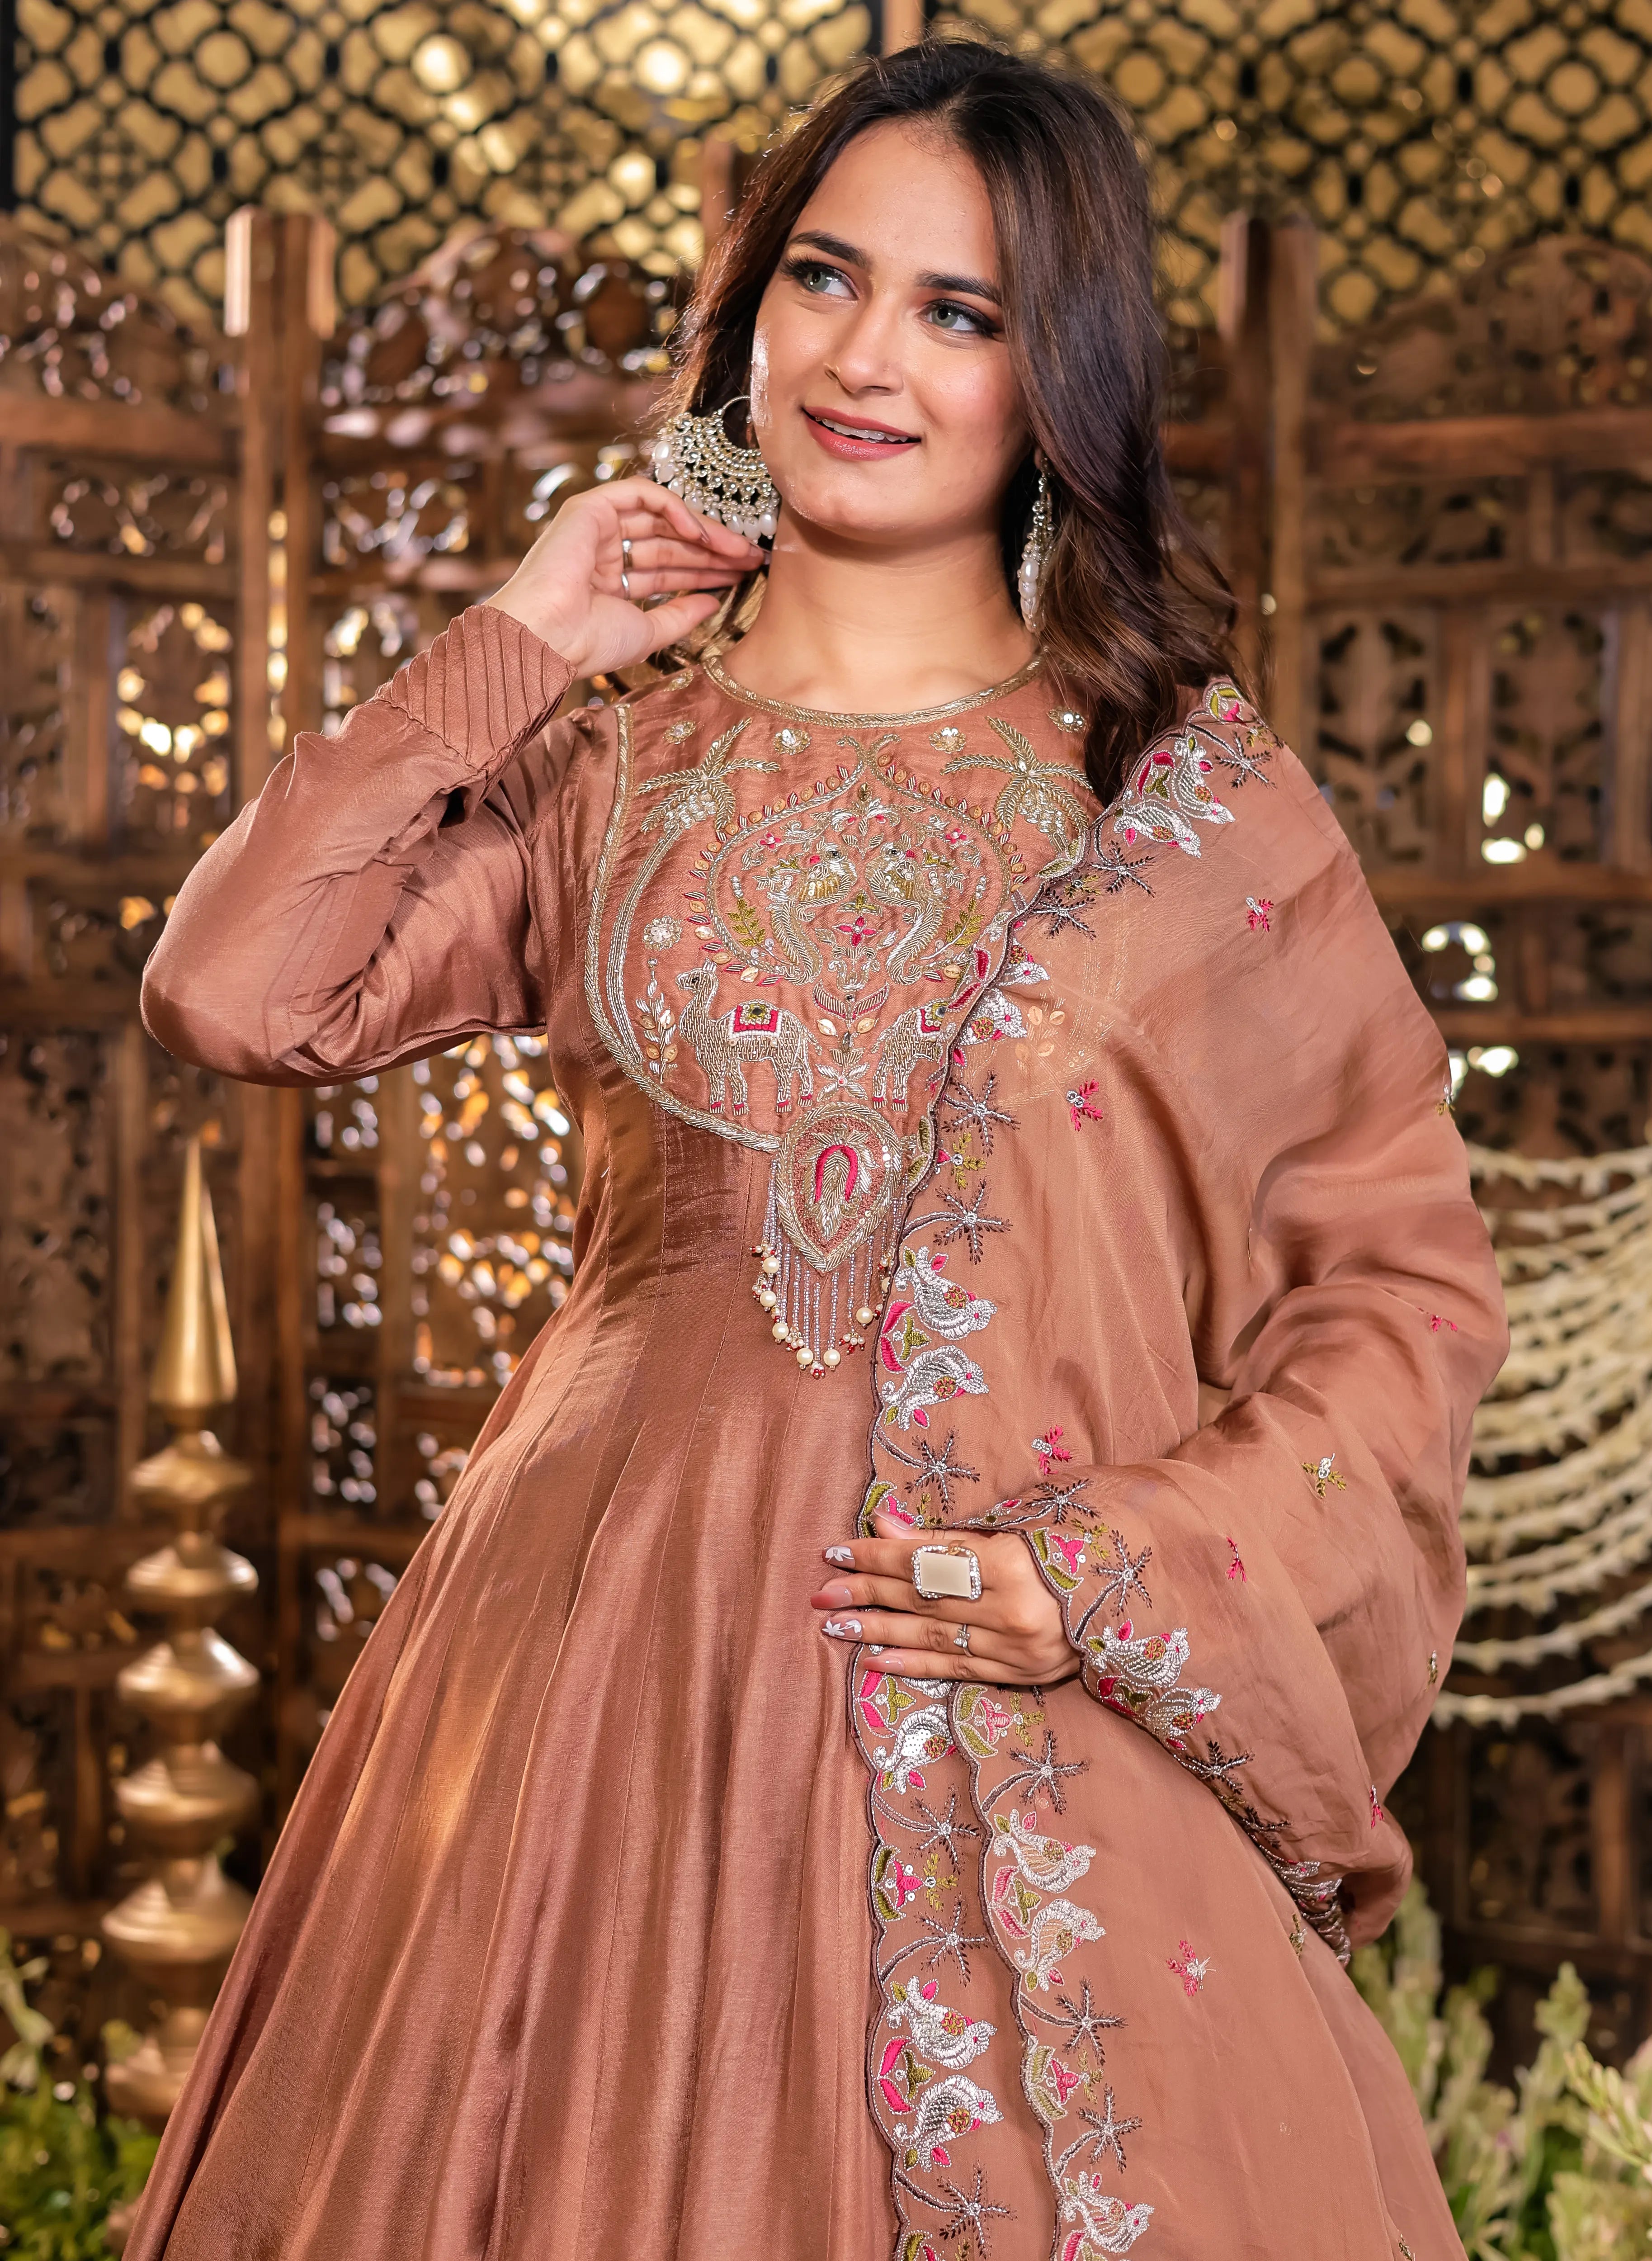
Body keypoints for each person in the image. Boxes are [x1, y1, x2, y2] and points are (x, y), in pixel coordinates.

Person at [129, 35, 1508, 2261]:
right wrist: (522, 638)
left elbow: (1407, 1295)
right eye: (823, 280)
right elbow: (238, 987)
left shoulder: (1186, 812)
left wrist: (1109, 1567)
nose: (869, 357)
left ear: (1052, 373)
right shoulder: (605, 768)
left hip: (1024, 1674)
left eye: (958, 314)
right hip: (602, 1677)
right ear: (743, 310)